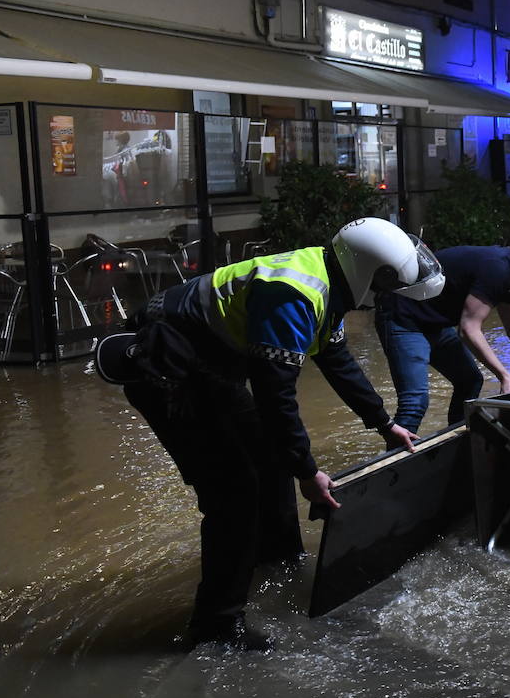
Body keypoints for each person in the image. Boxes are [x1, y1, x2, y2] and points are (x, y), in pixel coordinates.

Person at [94, 218, 445, 652]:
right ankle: (217, 627)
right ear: (370, 274)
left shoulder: (326, 282)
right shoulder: (293, 296)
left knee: (269, 458)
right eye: (388, 288)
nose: (384, 299)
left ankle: (275, 559)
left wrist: (383, 423)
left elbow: (338, 362)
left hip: (208, 366)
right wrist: (308, 472)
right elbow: (276, 396)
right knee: (234, 495)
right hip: (167, 372)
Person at [374, 222, 510, 433]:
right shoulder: (498, 268)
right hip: (402, 317)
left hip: (432, 322)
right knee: (415, 402)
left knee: (469, 380)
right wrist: (505, 376)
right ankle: (395, 461)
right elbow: (469, 329)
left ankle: (457, 436)